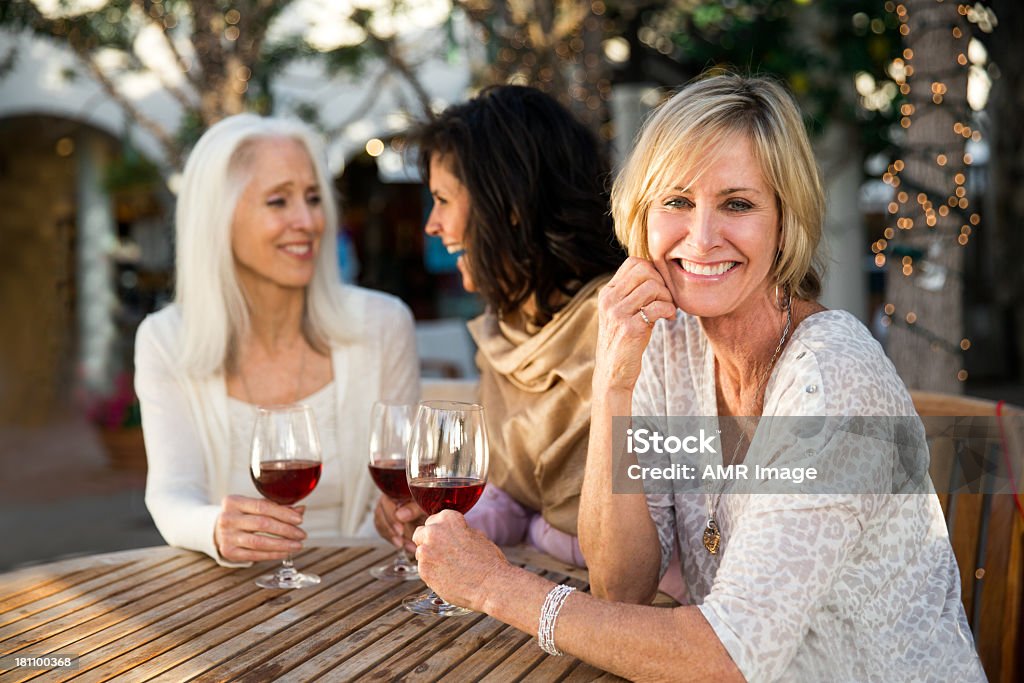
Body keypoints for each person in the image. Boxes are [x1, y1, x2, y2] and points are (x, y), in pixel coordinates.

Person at [409, 74, 985, 681]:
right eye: (677, 202)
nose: (702, 238)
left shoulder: (829, 379)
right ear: (642, 214)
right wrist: (614, 381)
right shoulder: (671, 341)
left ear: (785, 222)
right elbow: (620, 585)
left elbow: (724, 656)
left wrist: (497, 588)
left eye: (737, 204)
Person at [135, 114, 419, 566]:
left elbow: (399, 494)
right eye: (278, 201)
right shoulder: (166, 339)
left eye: (312, 198)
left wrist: (398, 523)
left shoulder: (383, 325)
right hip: (227, 602)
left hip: (368, 591)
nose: (307, 221)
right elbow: (172, 495)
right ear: (219, 218)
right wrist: (214, 528)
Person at [374, 86, 625, 566]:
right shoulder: (504, 329)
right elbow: (516, 497)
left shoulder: (626, 321)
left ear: (508, 205)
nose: (432, 225)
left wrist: (537, 530)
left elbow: (669, 527)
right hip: (538, 594)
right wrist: (449, 523)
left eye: (444, 200)